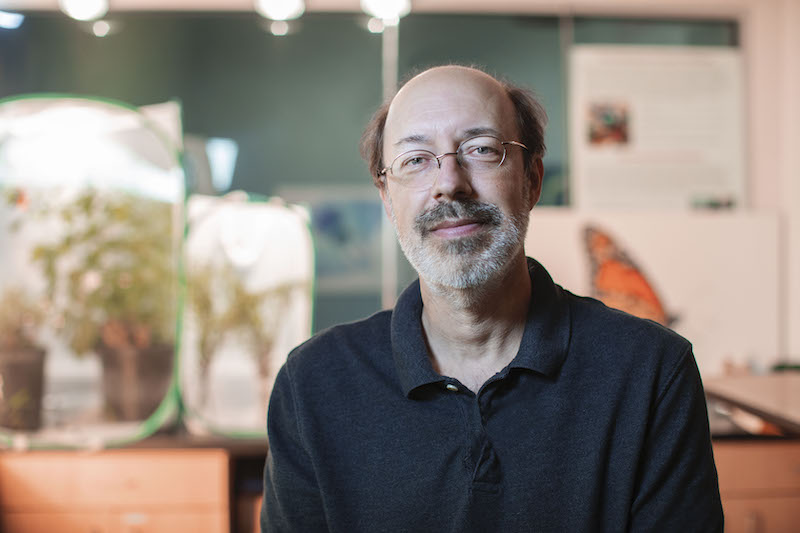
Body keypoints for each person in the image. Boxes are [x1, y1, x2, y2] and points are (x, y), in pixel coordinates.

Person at [261, 65, 723, 532]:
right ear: (386, 197)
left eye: (481, 150)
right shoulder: (312, 386)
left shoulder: (652, 371)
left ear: (532, 180)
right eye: (416, 159)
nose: (449, 182)